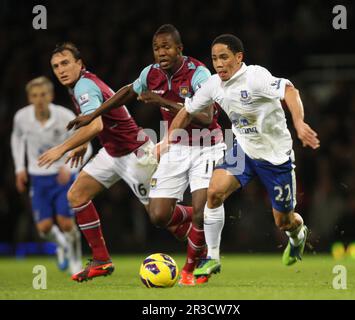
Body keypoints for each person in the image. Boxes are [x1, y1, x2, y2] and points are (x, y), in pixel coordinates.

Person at [66, 24, 226, 285]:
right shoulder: (150, 74)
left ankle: (190, 269)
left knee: (200, 210)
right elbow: (127, 92)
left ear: (179, 49)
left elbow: (207, 116)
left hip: (206, 145)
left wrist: (162, 102)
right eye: (156, 48)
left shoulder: (199, 73)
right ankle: (196, 216)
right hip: (176, 145)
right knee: (159, 215)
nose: (160, 52)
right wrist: (93, 115)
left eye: (166, 47)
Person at [162, 34, 320, 278]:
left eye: (224, 57)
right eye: (214, 58)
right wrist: (167, 140)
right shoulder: (214, 84)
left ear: (238, 57)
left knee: (284, 221)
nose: (218, 64)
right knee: (214, 193)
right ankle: (212, 257)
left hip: (275, 158)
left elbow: (290, 90)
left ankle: (298, 235)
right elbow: (188, 111)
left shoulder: (256, 78)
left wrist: (298, 123)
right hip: (244, 150)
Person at [38, 42, 158, 282]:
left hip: (136, 153)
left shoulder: (83, 85)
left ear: (79, 64)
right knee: (76, 196)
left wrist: (61, 148)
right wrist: (83, 143)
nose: (61, 70)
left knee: (161, 217)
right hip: (112, 152)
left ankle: (202, 232)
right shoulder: (80, 84)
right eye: (56, 66)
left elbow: (95, 124)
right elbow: (98, 120)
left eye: (65, 63)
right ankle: (101, 260)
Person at [11, 76, 84, 275]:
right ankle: (62, 245)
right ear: (29, 98)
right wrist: (20, 168)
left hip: (62, 177)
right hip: (38, 177)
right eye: (35, 95)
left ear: (50, 95)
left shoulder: (64, 116)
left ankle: (76, 262)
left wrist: (70, 168)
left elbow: (84, 144)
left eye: (43, 94)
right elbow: (17, 138)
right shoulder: (22, 117)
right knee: (43, 228)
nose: (39, 99)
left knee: (66, 223)